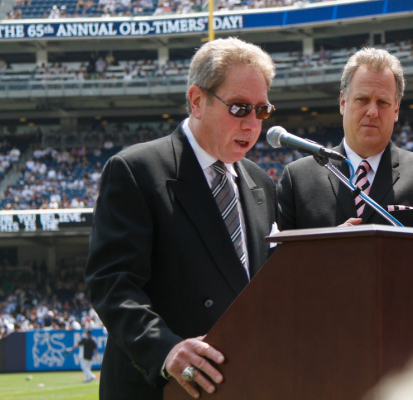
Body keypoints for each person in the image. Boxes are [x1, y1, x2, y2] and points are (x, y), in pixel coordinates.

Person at [85, 37, 278, 400]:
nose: (253, 123)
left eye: (262, 110)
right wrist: (166, 349)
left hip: (242, 384)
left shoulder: (261, 183)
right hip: (160, 388)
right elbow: (112, 283)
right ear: (196, 100)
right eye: (239, 108)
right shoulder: (136, 170)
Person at [277, 47, 413, 232]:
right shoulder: (297, 180)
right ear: (343, 103)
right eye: (362, 99)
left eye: (383, 102)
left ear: (396, 110)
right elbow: (278, 261)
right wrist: (327, 248)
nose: (372, 112)